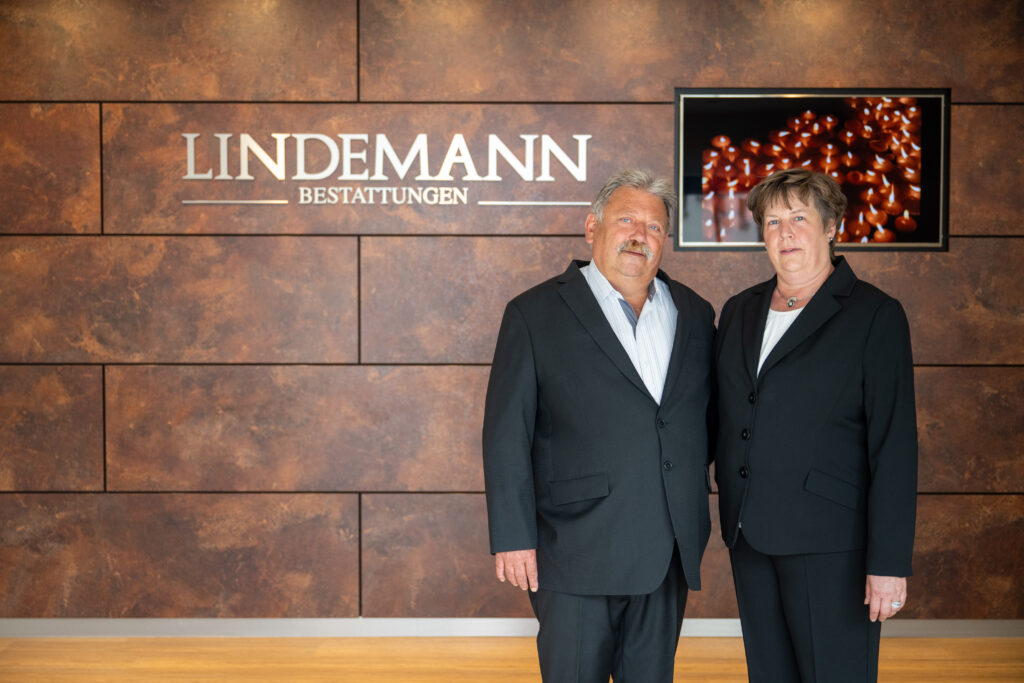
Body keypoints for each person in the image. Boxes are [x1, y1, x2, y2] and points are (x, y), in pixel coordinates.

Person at [482, 169, 715, 682]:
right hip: (574, 548)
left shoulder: (695, 313)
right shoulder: (534, 313)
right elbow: (506, 434)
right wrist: (512, 536)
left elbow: (703, 422)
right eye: (627, 220)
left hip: (666, 548)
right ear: (592, 227)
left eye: (654, 227)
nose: (639, 235)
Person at [714, 168, 918, 682]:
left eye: (799, 218)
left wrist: (889, 563)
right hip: (750, 536)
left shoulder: (874, 315)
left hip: (833, 546)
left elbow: (894, 447)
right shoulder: (739, 311)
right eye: (773, 221)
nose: (785, 233)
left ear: (830, 227)